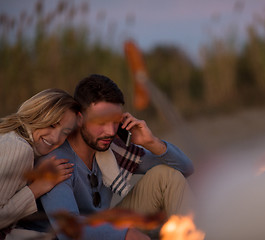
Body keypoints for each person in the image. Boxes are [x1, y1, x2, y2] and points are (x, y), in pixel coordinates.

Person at [21, 74, 194, 240]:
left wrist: (151, 142)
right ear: (79, 119)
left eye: (115, 121)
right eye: (101, 122)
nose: (110, 132)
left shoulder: (115, 149)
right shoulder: (56, 161)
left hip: (108, 224)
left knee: (166, 176)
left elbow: (185, 168)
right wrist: (124, 234)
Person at [0, 89, 80, 239]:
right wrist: (38, 187)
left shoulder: (11, 136)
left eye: (65, 132)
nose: (56, 138)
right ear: (37, 115)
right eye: (52, 125)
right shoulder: (19, 148)